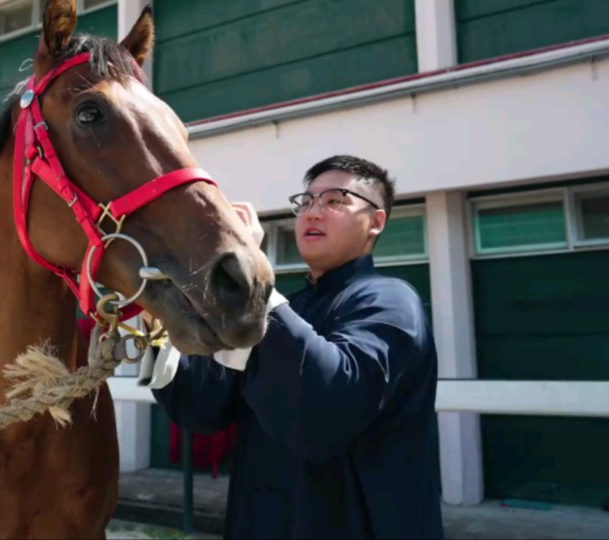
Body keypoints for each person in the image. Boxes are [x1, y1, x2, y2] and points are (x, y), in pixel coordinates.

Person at [140, 155, 444, 539]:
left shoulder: (392, 302)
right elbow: (201, 409)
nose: (313, 213)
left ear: (376, 222)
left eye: (335, 200)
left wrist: (246, 272)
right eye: (307, 201)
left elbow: (326, 409)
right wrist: (155, 325)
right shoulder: (288, 310)